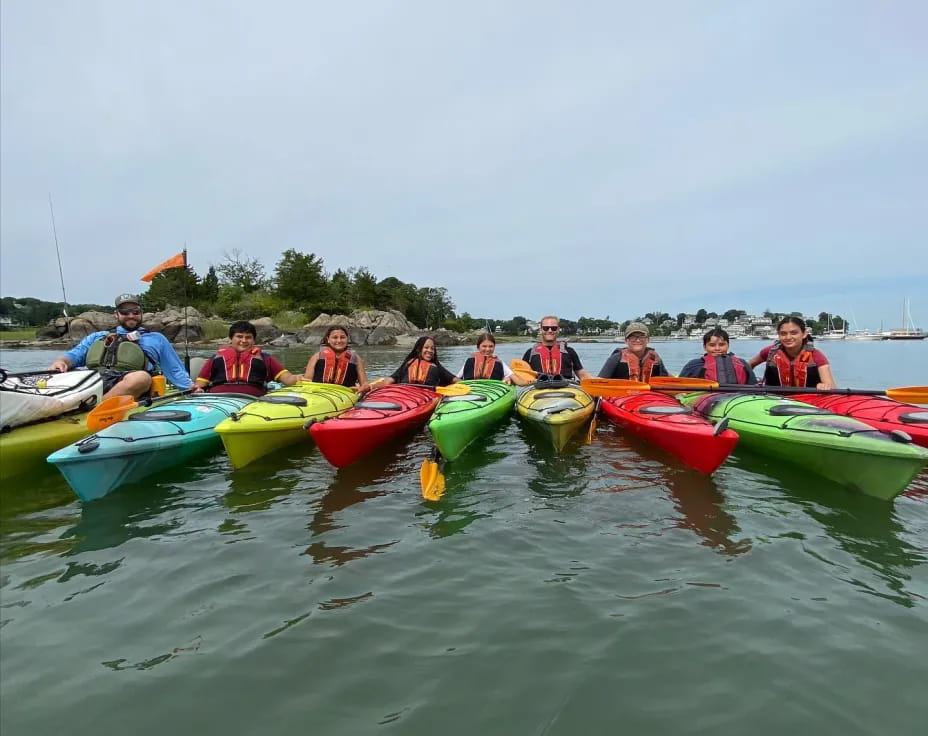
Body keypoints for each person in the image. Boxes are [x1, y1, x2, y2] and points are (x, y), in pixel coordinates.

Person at [48, 293, 193, 398]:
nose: (131, 315)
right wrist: (61, 362)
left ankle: (97, 408)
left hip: (128, 382)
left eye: (135, 312)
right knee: (53, 374)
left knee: (141, 378)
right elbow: (73, 356)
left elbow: (174, 370)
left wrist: (190, 388)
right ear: (116, 314)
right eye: (125, 312)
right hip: (94, 379)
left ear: (141, 313)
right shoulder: (98, 336)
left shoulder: (156, 339)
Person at [196, 321, 301, 397]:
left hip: (251, 400)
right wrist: (197, 389)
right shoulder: (215, 358)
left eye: (248, 337)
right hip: (219, 398)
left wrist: (299, 378)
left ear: (254, 340)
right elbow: (200, 385)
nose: (244, 340)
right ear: (230, 339)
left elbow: (288, 380)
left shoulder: (266, 358)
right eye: (239, 336)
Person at [748, 316, 836, 389]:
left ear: (804, 334)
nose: (788, 337)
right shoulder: (770, 352)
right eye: (783, 334)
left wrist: (824, 386)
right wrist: (750, 381)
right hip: (774, 399)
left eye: (794, 333)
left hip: (808, 401)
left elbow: (830, 385)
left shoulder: (816, 355)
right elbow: (748, 366)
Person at [301, 325, 371, 393]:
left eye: (342, 337)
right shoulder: (316, 356)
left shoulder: (356, 359)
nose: (339, 340)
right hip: (319, 392)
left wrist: (363, 388)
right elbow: (307, 380)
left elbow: (364, 383)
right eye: (335, 337)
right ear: (328, 339)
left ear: (347, 339)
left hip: (345, 394)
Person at [374, 335, 459, 389]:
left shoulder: (436, 366)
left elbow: (455, 380)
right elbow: (389, 380)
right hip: (406, 396)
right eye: (426, 347)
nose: (430, 351)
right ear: (419, 349)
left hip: (427, 398)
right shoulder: (408, 363)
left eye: (432, 348)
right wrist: (371, 387)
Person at [521, 316, 592, 381]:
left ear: (558, 330)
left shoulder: (569, 351)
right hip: (538, 389)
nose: (550, 331)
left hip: (566, 388)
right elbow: (521, 374)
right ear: (541, 329)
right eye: (546, 328)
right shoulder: (530, 353)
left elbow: (582, 374)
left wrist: (595, 382)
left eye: (553, 328)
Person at [680, 328, 757, 384]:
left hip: (738, 397)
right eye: (712, 345)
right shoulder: (694, 364)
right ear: (704, 347)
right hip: (705, 398)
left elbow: (753, 385)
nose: (717, 349)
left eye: (722, 345)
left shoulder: (742, 363)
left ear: (728, 345)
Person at [598, 322, 670, 381]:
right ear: (626, 341)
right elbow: (600, 381)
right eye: (633, 337)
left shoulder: (655, 359)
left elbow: (667, 381)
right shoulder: (616, 358)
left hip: (649, 396)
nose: (637, 340)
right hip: (623, 397)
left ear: (648, 340)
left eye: (641, 336)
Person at [456, 332, 529, 385]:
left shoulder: (499, 363)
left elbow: (518, 381)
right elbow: (456, 379)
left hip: (493, 393)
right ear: (478, 347)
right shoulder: (469, 361)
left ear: (494, 347)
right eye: (484, 346)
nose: (487, 349)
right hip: (471, 390)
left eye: (491, 346)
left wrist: (532, 382)